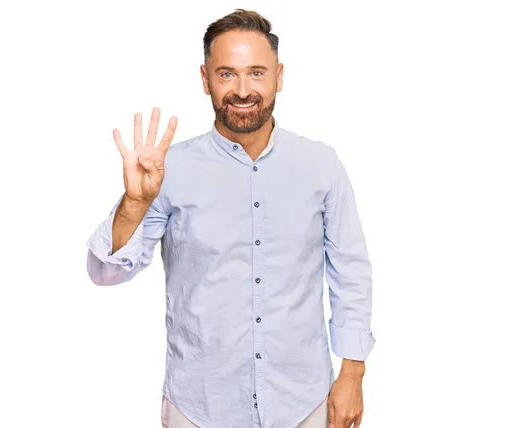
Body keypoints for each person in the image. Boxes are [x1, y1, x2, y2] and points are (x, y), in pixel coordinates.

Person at [86, 8, 375, 428]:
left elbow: (351, 272)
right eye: (226, 74)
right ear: (205, 79)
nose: (242, 90)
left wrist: (353, 372)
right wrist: (134, 202)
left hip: (303, 404)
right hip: (199, 406)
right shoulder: (169, 169)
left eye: (256, 73)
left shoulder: (321, 165)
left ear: (279, 76)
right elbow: (103, 273)